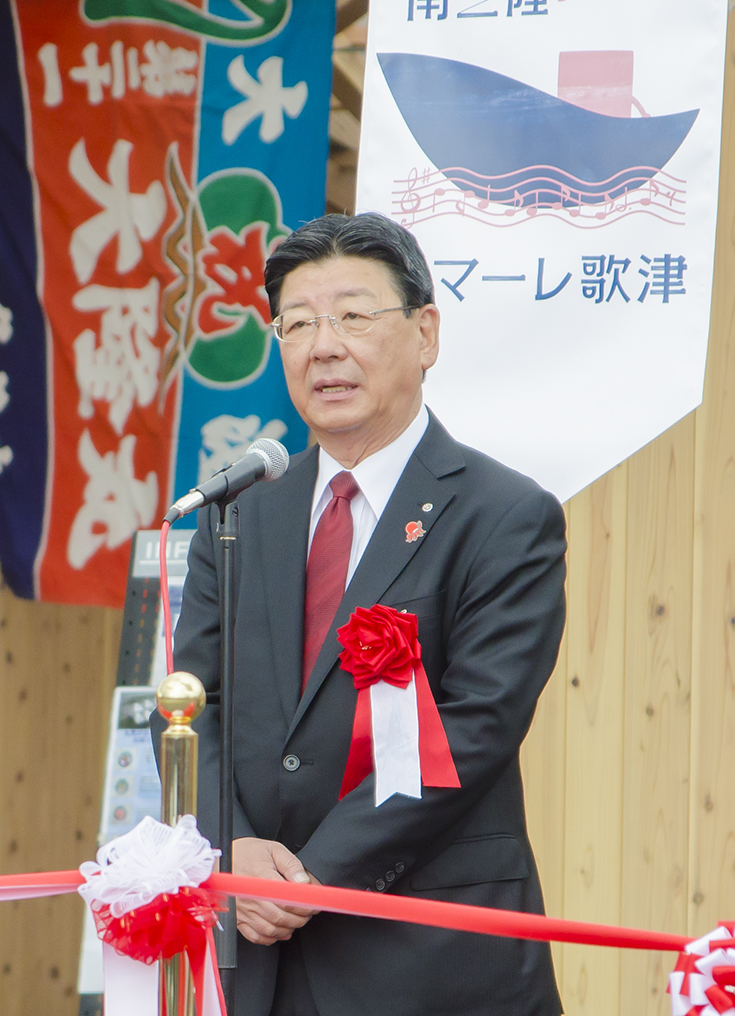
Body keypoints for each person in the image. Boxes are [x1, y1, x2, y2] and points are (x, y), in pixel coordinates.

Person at [158, 213, 566, 1016]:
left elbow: (474, 725)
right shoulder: (239, 512)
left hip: (427, 956)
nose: (324, 346)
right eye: (299, 323)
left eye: (353, 315)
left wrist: (310, 880)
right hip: (252, 957)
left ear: (425, 334)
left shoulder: (503, 514)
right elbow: (186, 702)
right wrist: (233, 852)